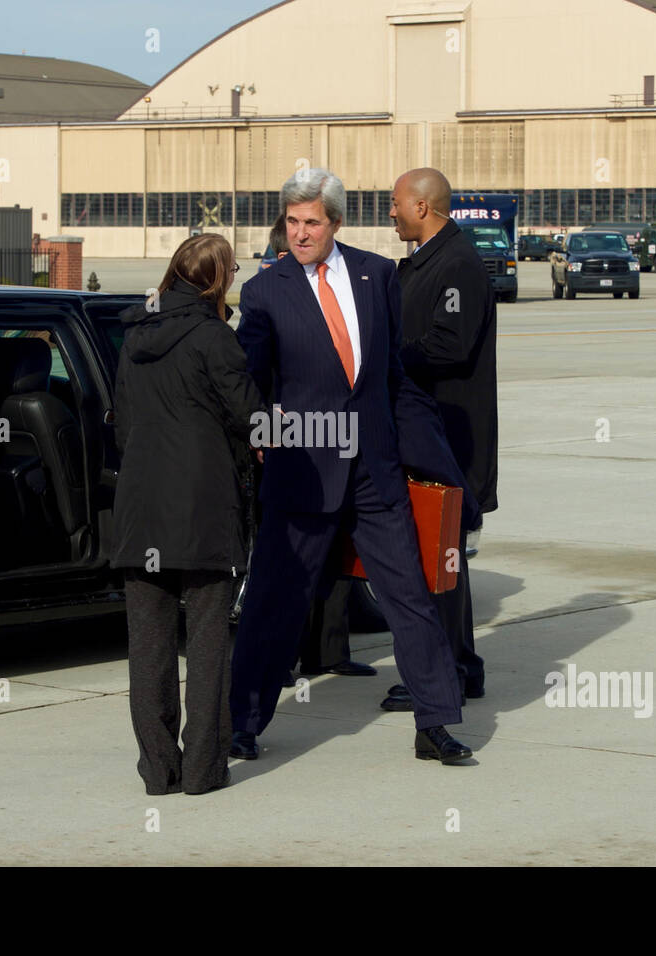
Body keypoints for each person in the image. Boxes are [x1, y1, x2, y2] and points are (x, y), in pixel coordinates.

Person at [228, 167, 473, 765]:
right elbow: (250, 384)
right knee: (274, 605)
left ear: (335, 222)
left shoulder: (375, 275)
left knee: (409, 599)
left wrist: (434, 459)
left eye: (312, 222)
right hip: (302, 472)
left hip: (374, 470)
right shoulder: (265, 291)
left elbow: (391, 377)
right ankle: (243, 723)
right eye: (291, 221)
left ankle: (435, 721)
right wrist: (262, 432)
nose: (300, 233)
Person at [111, 234, 265, 795]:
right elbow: (252, 419)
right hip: (204, 508)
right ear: (216, 278)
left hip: (140, 507)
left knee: (146, 647)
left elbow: (124, 427)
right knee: (206, 645)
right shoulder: (214, 337)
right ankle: (202, 770)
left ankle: (158, 770)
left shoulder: (133, 337)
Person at [381, 167, 497, 712]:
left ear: (422, 207)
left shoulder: (456, 264)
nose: (391, 212)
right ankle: (457, 666)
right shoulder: (427, 262)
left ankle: (445, 670)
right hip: (428, 434)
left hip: (446, 437)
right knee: (440, 556)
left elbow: (448, 347)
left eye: (395, 204)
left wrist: (385, 362)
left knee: (436, 555)